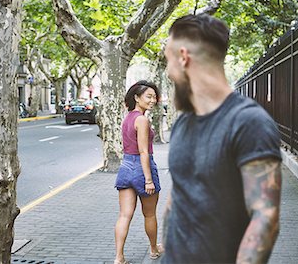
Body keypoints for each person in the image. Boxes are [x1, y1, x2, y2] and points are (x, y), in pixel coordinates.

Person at [161, 14, 282, 263]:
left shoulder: (248, 122)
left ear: (183, 57)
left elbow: (266, 217)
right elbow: (177, 197)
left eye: (168, 60)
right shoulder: (182, 122)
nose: (167, 72)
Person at [114, 80, 164, 264]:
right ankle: (153, 250)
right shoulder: (141, 119)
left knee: (124, 215)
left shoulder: (128, 118)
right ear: (136, 97)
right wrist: (148, 180)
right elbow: (143, 151)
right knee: (149, 214)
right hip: (142, 168)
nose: (153, 100)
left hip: (125, 167)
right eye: (148, 96)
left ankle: (119, 257)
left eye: (154, 97)